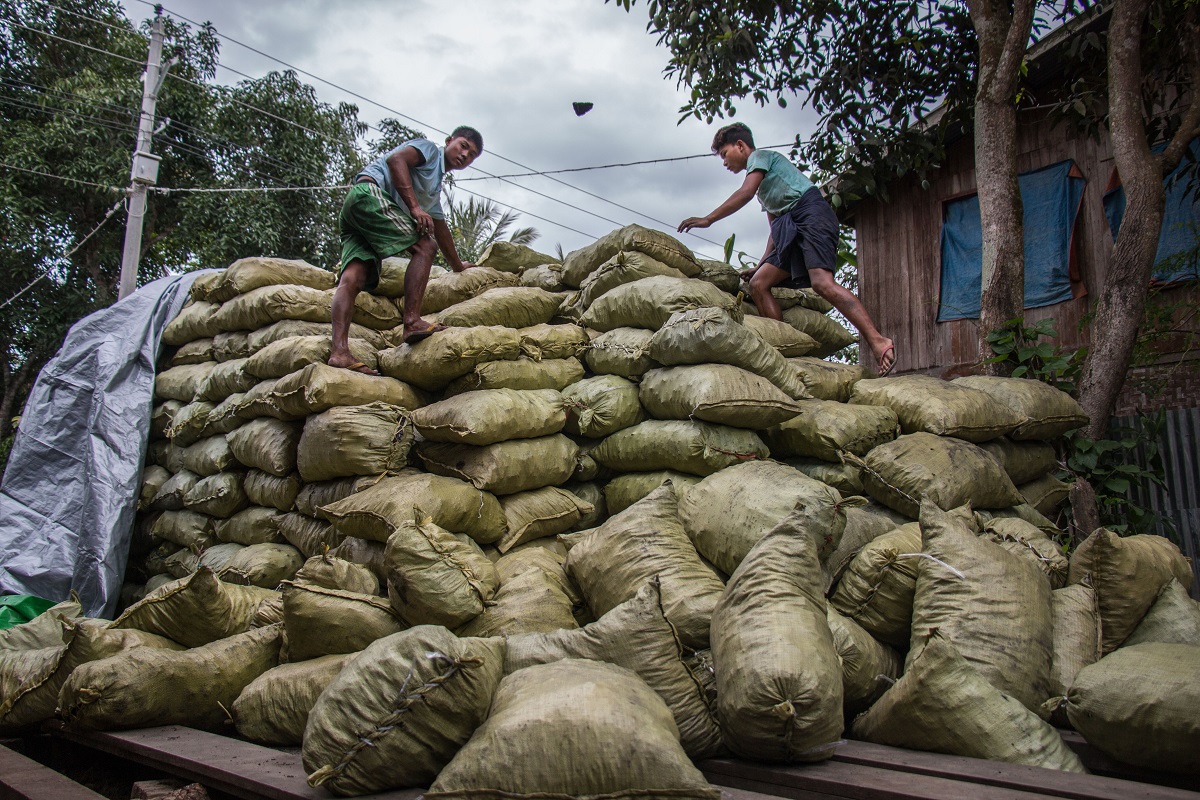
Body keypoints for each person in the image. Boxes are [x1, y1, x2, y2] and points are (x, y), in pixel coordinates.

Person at [679, 122, 896, 376]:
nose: (725, 162)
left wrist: (709, 219)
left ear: (740, 145)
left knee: (822, 283)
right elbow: (775, 231)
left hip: (811, 213)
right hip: (790, 225)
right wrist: (760, 265)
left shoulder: (761, 158)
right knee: (759, 283)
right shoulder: (764, 191)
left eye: (725, 154)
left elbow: (745, 192)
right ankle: (782, 353)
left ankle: (878, 340)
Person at [329, 126, 483, 373]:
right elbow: (396, 159)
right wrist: (414, 208)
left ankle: (339, 352)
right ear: (449, 141)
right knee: (425, 247)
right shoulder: (430, 150)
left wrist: (457, 265)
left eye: (472, 155)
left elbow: (441, 227)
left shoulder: (433, 187)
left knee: (353, 279)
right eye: (463, 146)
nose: (465, 155)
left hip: (356, 207)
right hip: (369, 193)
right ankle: (411, 322)